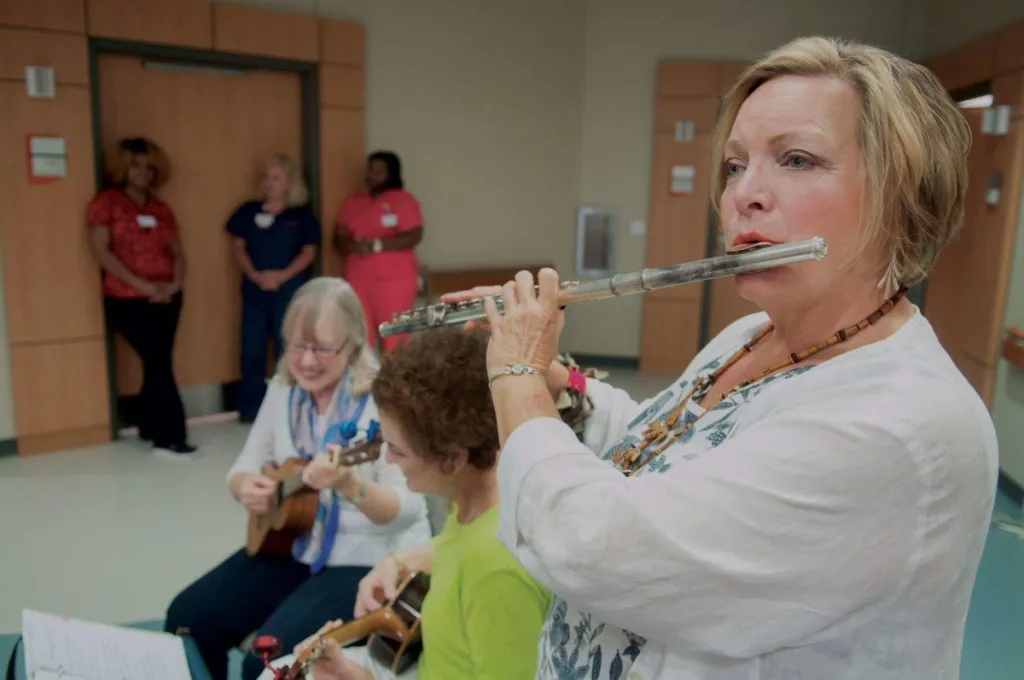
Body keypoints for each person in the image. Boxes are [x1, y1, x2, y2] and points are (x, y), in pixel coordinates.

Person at [443, 37, 998, 679]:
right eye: (735, 166)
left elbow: (598, 548)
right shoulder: (750, 335)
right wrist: (555, 379)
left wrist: (514, 380)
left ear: (902, 193)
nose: (745, 195)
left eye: (796, 159)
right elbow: (659, 455)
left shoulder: (901, 426)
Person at [165, 277, 432, 680]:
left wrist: (349, 485)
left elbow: (409, 510)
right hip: (293, 545)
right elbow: (243, 467)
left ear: (353, 343)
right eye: (296, 346)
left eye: (322, 349)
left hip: (364, 562)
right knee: (187, 618)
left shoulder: (383, 401)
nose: (307, 361)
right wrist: (244, 488)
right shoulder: (283, 390)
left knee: (267, 661)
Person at [257, 329, 553, 680]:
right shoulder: (472, 503)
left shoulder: (495, 569)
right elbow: (454, 551)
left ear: (452, 458)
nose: (388, 459)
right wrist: (399, 560)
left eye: (398, 450)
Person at [86, 137, 196, 458]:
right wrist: (140, 285)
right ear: (122, 167)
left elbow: (177, 252)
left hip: (168, 296)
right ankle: (171, 436)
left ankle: (150, 426)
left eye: (149, 167)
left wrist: (175, 284)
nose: (143, 173)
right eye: (135, 165)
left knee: (157, 362)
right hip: (127, 298)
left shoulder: (161, 208)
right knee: (158, 362)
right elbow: (100, 251)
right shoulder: (107, 202)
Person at [227, 154, 322, 422]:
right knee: (252, 349)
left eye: (275, 178)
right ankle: (251, 409)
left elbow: (308, 252)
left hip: (289, 291)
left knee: (289, 350)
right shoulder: (248, 211)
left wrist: (281, 276)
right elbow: (237, 247)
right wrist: (256, 275)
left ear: (289, 182)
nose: (269, 183)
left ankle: (289, 407)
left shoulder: (300, 216)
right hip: (255, 291)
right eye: (266, 177)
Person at [334, 151, 423, 353]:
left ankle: (397, 385)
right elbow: (338, 239)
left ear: (391, 173)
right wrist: (355, 246)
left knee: (396, 339)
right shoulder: (353, 202)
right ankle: (363, 385)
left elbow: (414, 235)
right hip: (358, 279)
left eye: (379, 171)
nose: (372, 175)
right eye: (370, 170)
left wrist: (377, 245)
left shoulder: (403, 200)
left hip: (394, 281)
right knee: (359, 338)